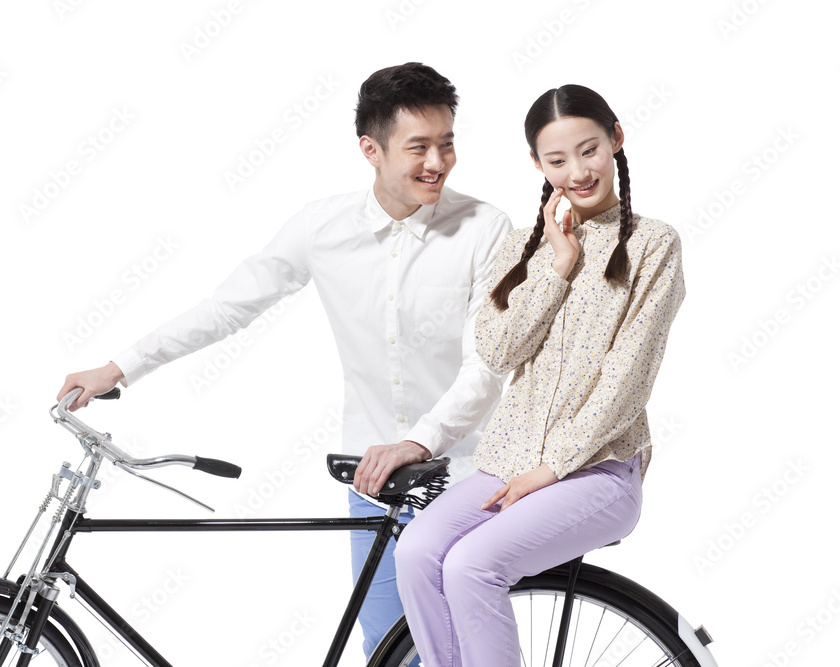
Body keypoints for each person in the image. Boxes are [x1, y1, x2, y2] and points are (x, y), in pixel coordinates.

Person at [57, 62, 511, 659]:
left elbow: (490, 363)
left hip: (468, 470)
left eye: (447, 144)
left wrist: (421, 441)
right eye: (419, 147)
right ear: (370, 149)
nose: (438, 162)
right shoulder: (322, 227)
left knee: (466, 645)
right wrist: (120, 367)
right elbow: (227, 307)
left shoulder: (486, 228)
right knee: (385, 649)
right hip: (373, 473)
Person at [393, 84, 686, 666]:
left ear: (616, 141)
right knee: (418, 551)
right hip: (508, 464)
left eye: (590, 150)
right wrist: (556, 266)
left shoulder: (654, 245)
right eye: (557, 160)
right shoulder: (525, 245)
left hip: (598, 471)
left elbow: (627, 383)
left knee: (473, 565)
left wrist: (551, 469)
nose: (578, 171)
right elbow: (497, 351)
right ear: (537, 165)